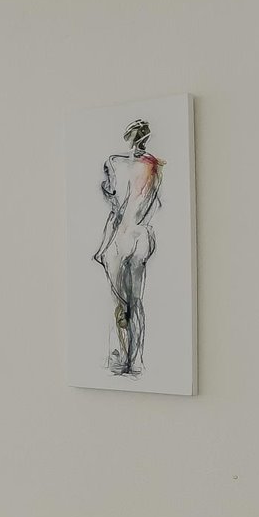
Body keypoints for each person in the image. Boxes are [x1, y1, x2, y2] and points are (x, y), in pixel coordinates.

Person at [92, 119, 162, 377]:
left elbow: (114, 206)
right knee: (135, 301)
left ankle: (126, 358)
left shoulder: (115, 162)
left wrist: (105, 243)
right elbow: (151, 204)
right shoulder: (152, 165)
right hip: (140, 236)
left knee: (121, 301)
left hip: (123, 237)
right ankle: (134, 359)